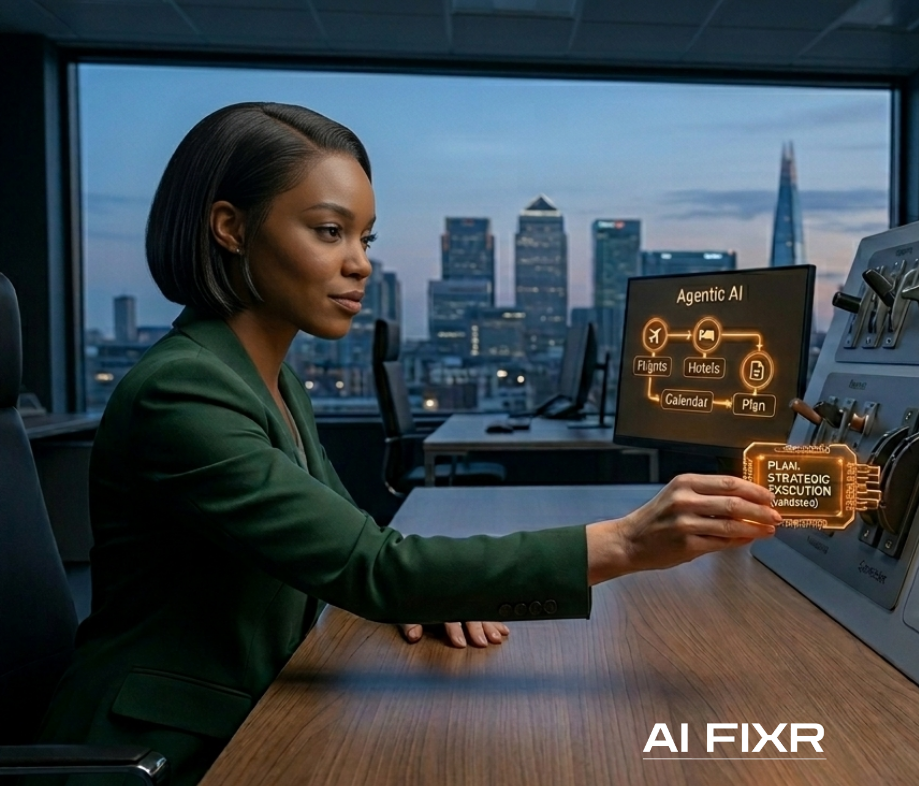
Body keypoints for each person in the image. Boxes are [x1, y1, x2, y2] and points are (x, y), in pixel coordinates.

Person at [35, 102, 779, 785]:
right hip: (163, 750)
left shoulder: (272, 380)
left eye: (365, 237)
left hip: (253, 707)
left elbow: (340, 550)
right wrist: (625, 542)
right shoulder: (183, 394)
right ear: (230, 227)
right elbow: (369, 565)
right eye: (329, 232)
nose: (360, 262)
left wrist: (429, 588)